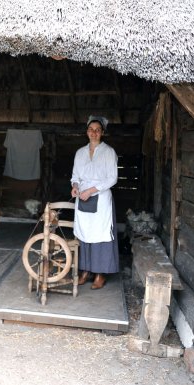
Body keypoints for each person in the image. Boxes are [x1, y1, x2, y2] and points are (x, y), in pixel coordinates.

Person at [70, 116, 119, 289]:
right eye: (91, 129)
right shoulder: (80, 152)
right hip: (82, 199)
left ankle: (100, 274)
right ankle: (85, 271)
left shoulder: (108, 152)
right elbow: (75, 176)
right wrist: (75, 187)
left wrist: (90, 191)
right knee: (85, 234)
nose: (94, 133)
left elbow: (112, 178)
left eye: (98, 130)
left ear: (102, 133)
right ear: (87, 132)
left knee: (100, 235)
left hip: (100, 199)